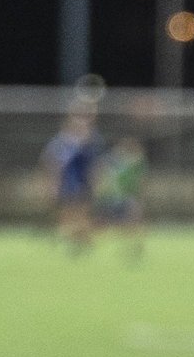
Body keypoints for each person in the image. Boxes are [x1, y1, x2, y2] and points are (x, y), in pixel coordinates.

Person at [41, 110, 100, 256]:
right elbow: (52, 164)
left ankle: (81, 241)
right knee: (68, 214)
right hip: (69, 185)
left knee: (82, 213)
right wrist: (52, 184)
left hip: (82, 185)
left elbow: (93, 167)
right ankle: (76, 241)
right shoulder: (62, 145)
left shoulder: (88, 145)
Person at [95, 134, 148, 263]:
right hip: (114, 198)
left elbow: (139, 184)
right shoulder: (112, 161)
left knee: (133, 223)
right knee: (104, 224)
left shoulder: (136, 163)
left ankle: (134, 249)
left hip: (127, 198)